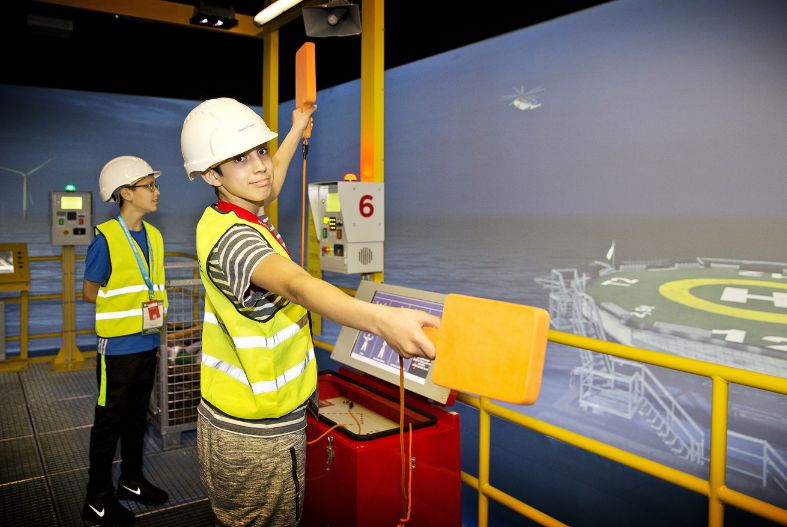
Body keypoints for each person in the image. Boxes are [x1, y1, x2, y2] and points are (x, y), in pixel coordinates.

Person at [180, 97, 439, 526]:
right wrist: (383, 321)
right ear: (211, 174)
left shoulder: (226, 214)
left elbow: (273, 179)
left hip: (235, 419)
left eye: (261, 151)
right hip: (258, 434)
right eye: (240, 159)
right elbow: (297, 285)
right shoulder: (235, 242)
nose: (260, 166)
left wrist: (297, 126)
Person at [82, 156, 169, 527]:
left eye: (155, 185)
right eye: (149, 186)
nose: (156, 192)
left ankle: (130, 481)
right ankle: (96, 499)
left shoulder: (155, 236)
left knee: (137, 419)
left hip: (147, 344)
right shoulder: (106, 238)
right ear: (126, 193)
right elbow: (89, 292)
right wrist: (127, 307)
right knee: (109, 422)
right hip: (116, 349)